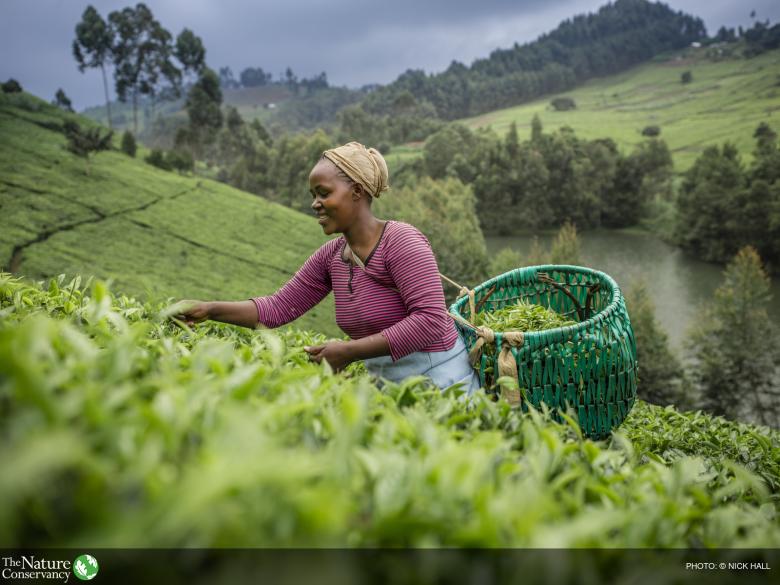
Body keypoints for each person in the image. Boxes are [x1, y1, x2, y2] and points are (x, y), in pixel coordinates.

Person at [174, 142, 480, 395]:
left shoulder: (401, 242)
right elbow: (276, 308)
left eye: (324, 193)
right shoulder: (331, 257)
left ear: (357, 192)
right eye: (313, 196)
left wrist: (347, 351)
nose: (315, 204)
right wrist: (209, 309)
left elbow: (429, 321)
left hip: (443, 384)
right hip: (390, 389)